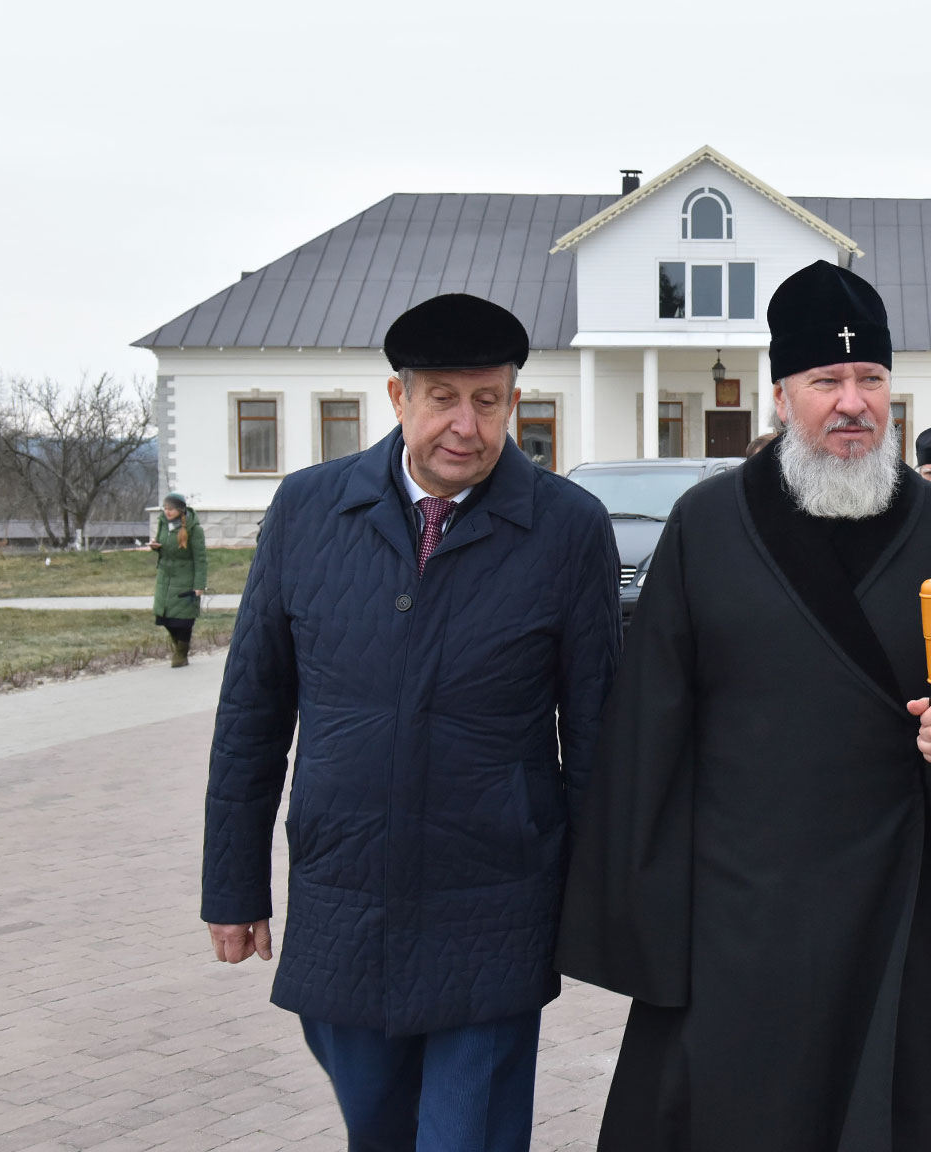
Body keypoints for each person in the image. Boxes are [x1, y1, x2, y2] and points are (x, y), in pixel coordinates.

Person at [557, 260, 931, 1152]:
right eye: (827, 380)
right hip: (737, 898)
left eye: (870, 379)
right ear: (782, 395)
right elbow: (649, 727)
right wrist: (648, 914)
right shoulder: (707, 524)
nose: (852, 403)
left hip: (892, 890)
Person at [200, 293, 622, 1152]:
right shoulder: (307, 511)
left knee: (467, 1135)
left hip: (495, 903)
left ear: (514, 402)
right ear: (398, 397)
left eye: (488, 401)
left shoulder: (568, 528)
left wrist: (600, 903)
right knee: (377, 1130)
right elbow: (252, 711)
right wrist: (233, 884)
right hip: (343, 893)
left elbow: (597, 733)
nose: (466, 425)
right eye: (443, 398)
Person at [149, 492, 207, 667]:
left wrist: (199, 585)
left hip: (185, 579)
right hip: (165, 579)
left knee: (183, 620)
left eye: (171, 509)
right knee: (165, 618)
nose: (167, 512)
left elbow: (200, 559)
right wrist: (156, 547)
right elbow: (165, 546)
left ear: (181, 510)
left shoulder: (194, 529)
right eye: (165, 508)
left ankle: (181, 653)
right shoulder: (163, 524)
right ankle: (180, 648)